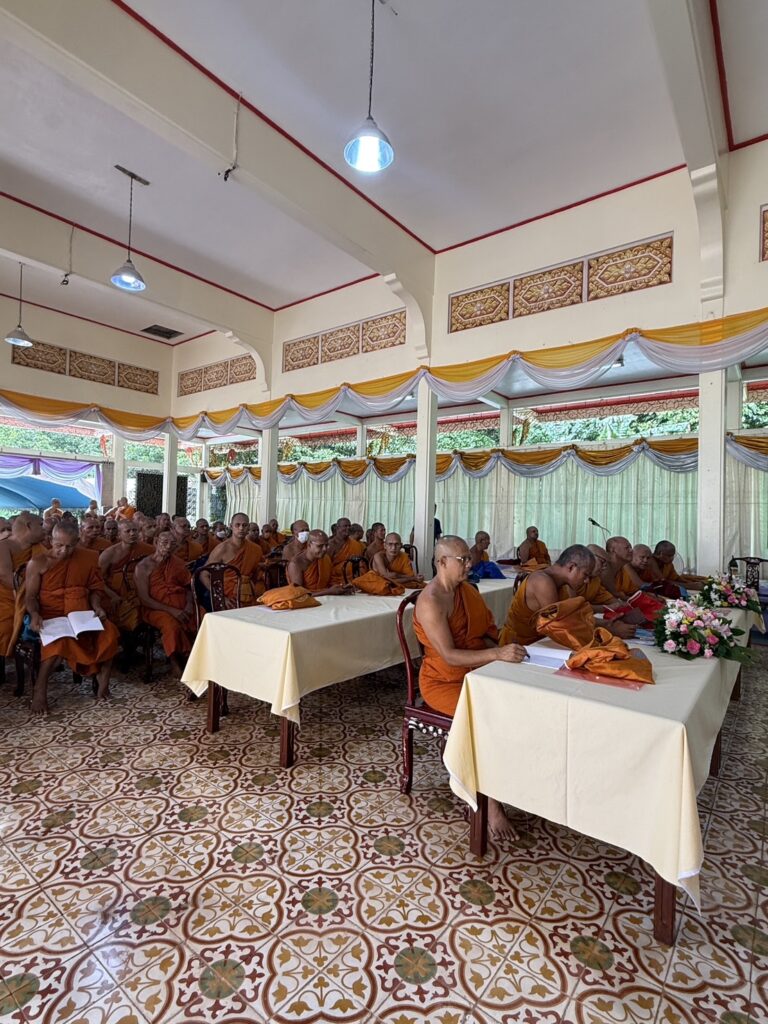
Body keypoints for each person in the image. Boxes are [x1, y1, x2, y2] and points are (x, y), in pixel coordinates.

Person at [414, 535, 526, 839]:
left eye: (468, 558)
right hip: (443, 680)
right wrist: (497, 655)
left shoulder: (467, 592)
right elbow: (450, 656)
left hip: (478, 668)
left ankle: (511, 780)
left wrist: (504, 652)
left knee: (520, 701)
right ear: (442, 562)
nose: (469, 564)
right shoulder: (431, 601)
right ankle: (488, 801)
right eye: (462, 559)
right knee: (486, 721)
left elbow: (486, 633)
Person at [25, 521, 119, 714]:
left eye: (69, 546)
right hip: (50, 614)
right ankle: (39, 690)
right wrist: (34, 614)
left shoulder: (88, 557)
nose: (64, 551)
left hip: (81, 613)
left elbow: (95, 588)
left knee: (109, 633)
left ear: (77, 542)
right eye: (59, 545)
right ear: (51, 540)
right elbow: (30, 597)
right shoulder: (38, 562)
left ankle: (103, 680)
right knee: (58, 643)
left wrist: (97, 606)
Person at [500, 544, 595, 646]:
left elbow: (575, 616)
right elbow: (558, 624)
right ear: (571, 567)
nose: (587, 581)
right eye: (585, 575)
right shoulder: (542, 581)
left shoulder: (566, 584)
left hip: (542, 642)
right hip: (518, 646)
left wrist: (603, 624)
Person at [135, 531, 195, 678]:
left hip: (181, 604)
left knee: (202, 616)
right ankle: (175, 662)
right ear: (156, 542)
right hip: (154, 608)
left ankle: (197, 658)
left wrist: (189, 604)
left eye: (172, 544)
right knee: (171, 625)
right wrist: (172, 611)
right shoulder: (143, 566)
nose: (168, 547)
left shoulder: (177, 563)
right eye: (164, 543)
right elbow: (144, 599)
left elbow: (188, 586)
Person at [0, 512, 45, 667]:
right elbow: (6, 577)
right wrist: (29, 593)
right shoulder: (3, 546)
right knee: (5, 627)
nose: (44, 528)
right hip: (7, 598)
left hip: (34, 597)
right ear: (28, 526)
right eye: (40, 525)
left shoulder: (39, 548)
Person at [98, 519, 154, 632]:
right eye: (128, 531)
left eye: (134, 530)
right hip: (114, 592)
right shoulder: (109, 554)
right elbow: (98, 580)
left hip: (142, 590)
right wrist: (113, 595)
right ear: (119, 534)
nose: (132, 534)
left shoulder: (149, 550)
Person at [201, 512, 265, 607]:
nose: (241, 528)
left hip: (248, 593)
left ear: (248, 528)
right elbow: (203, 574)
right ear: (231, 526)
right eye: (237, 525)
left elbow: (256, 574)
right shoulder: (222, 549)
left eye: (244, 525)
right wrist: (220, 596)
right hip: (227, 596)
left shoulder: (256, 549)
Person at [287, 530, 352, 595]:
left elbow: (331, 581)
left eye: (326, 545)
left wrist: (342, 587)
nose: (324, 549)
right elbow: (298, 594)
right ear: (309, 545)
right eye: (320, 546)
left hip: (328, 596)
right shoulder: (296, 564)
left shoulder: (326, 558)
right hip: (308, 600)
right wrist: (328, 592)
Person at [327, 517, 365, 584]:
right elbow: (327, 566)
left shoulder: (355, 544)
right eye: (345, 526)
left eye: (349, 526)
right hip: (336, 581)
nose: (348, 528)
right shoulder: (331, 544)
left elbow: (360, 562)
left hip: (354, 579)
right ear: (338, 528)